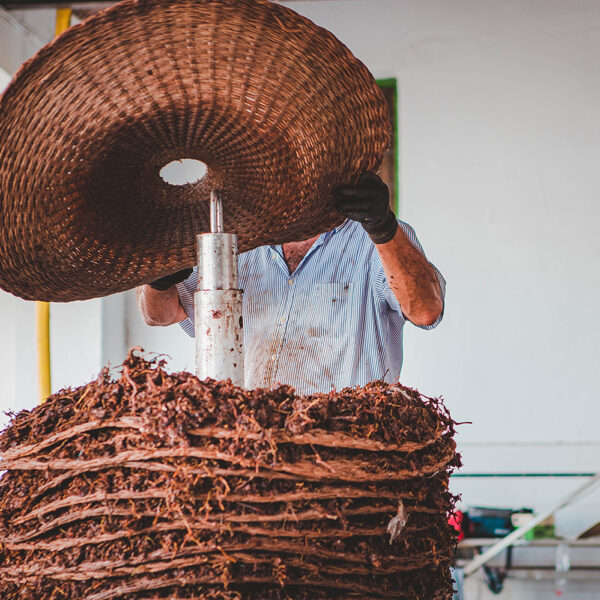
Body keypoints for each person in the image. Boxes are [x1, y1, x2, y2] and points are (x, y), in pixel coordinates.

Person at [137, 172, 445, 394]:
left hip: (347, 448)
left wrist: (383, 227)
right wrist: (159, 280)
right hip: (248, 447)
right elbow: (158, 314)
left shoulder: (375, 240)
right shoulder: (237, 244)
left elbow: (426, 310)